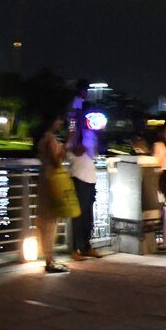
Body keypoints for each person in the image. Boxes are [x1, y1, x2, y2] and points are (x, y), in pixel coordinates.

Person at [34, 114, 77, 274]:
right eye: (58, 119)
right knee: (50, 220)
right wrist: (68, 142)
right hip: (52, 181)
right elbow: (56, 160)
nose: (60, 122)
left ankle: (49, 257)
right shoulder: (49, 138)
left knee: (46, 219)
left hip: (46, 179)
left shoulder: (44, 137)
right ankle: (49, 260)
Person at [67, 89, 105, 261]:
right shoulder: (74, 132)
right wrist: (76, 111)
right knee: (78, 215)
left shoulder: (90, 134)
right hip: (79, 177)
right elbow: (72, 125)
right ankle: (75, 249)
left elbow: (96, 152)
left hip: (90, 178)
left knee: (89, 215)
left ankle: (86, 246)